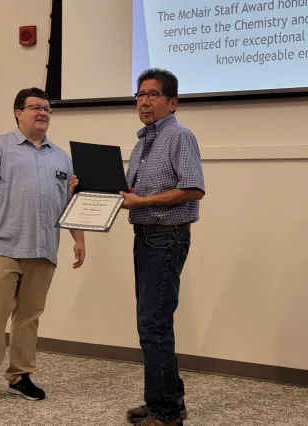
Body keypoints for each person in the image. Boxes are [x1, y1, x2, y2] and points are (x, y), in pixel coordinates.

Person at [69, 68, 205, 426]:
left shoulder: (180, 136)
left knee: (153, 323)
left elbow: (192, 189)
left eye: (153, 95)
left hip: (167, 236)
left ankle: (166, 412)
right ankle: (167, 398)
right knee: (153, 321)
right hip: (146, 236)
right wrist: (84, 188)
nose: (144, 101)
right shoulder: (143, 142)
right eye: (140, 94)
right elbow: (125, 195)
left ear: (172, 102)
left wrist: (141, 202)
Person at [0, 87, 86, 408]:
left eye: (47, 108)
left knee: (29, 318)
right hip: (2, 248)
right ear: (18, 113)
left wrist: (79, 239)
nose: (43, 113)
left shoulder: (61, 157)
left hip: (44, 249)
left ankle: (20, 375)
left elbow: (72, 202)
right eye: (35, 108)